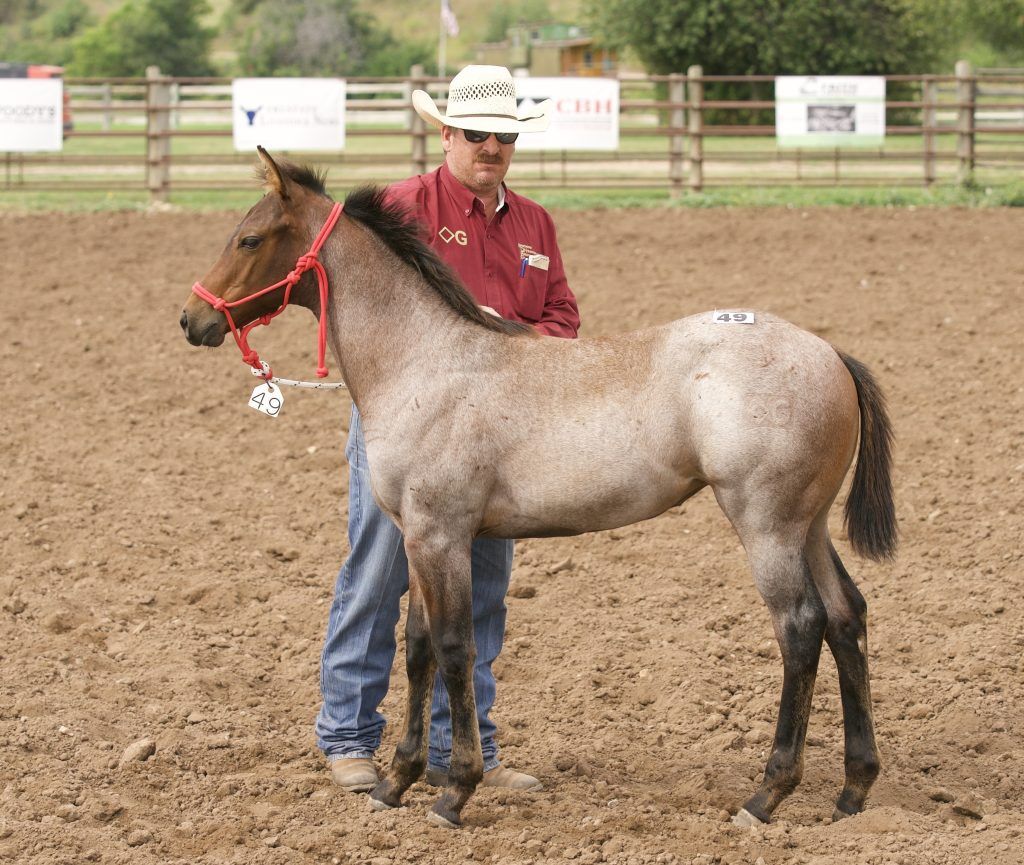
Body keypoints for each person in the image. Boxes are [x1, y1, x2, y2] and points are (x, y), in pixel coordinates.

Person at [316, 65, 581, 794]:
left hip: (499, 436)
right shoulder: (400, 208)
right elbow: (343, 296)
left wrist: (515, 333)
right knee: (378, 571)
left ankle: (459, 745)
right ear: (446, 133)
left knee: (481, 590)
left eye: (503, 135)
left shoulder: (534, 224)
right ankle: (348, 735)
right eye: (476, 133)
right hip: (407, 424)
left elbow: (563, 319)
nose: (490, 146)